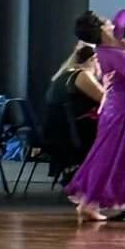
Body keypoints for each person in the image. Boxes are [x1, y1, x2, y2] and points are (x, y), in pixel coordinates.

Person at [69, 10, 125, 224]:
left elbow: (124, 13)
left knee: (118, 156)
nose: (113, 23)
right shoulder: (110, 53)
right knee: (109, 156)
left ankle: (89, 204)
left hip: (124, 108)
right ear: (102, 28)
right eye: (107, 22)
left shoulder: (114, 36)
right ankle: (88, 204)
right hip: (123, 111)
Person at [42, 21, 104, 182]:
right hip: (73, 136)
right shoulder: (82, 75)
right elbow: (107, 100)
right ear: (94, 59)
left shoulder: (63, 75)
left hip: (59, 134)